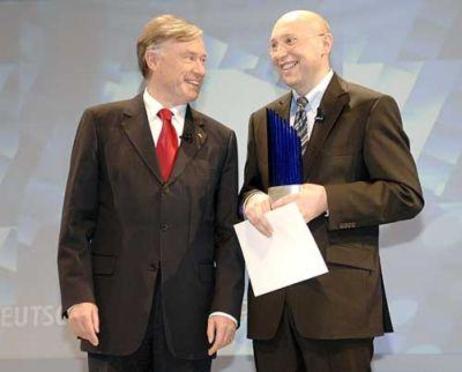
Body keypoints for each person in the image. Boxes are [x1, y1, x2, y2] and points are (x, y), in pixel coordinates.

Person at [57, 14, 244, 372]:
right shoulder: (101, 124)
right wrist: (78, 297)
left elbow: (228, 235)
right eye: (190, 57)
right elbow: (76, 224)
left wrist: (225, 307)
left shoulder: (221, 139)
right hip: (114, 317)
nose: (201, 69)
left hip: (191, 322)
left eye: (204, 59)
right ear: (153, 59)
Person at [239, 10, 424, 372]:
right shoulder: (265, 119)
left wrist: (327, 199)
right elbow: (250, 188)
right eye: (273, 45)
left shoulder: (369, 107)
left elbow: (405, 194)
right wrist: (252, 201)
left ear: (325, 43)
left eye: (290, 40)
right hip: (274, 309)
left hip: (339, 306)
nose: (279, 53)